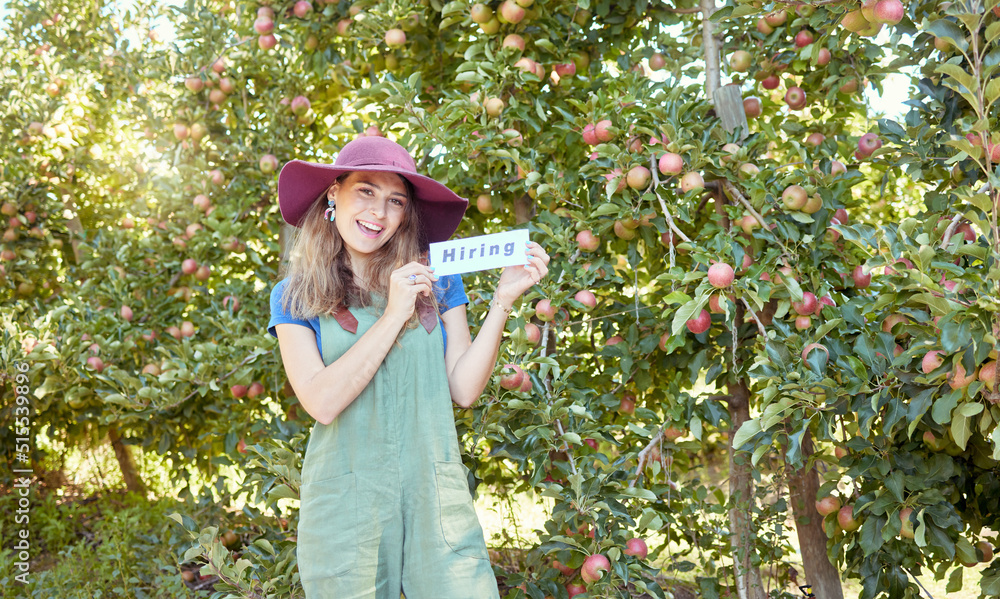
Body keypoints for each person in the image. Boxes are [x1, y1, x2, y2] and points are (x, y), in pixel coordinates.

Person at [267, 135, 549, 599]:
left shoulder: (438, 279)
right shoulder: (294, 295)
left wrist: (502, 301)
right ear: (333, 194)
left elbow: (463, 388)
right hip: (346, 500)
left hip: (432, 493)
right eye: (365, 190)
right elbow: (320, 401)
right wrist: (395, 312)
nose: (378, 212)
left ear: (406, 214)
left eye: (395, 200)